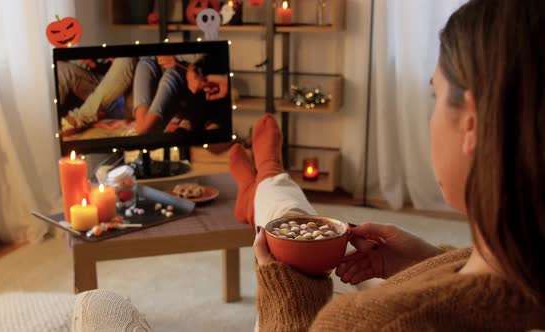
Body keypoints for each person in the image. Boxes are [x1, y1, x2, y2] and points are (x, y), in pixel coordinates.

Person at [228, 0, 545, 330]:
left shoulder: (369, 323)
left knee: (287, 225)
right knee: (298, 224)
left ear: (471, 124)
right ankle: (267, 181)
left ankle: (267, 181)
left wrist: (287, 300)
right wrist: (429, 262)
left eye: (434, 97)